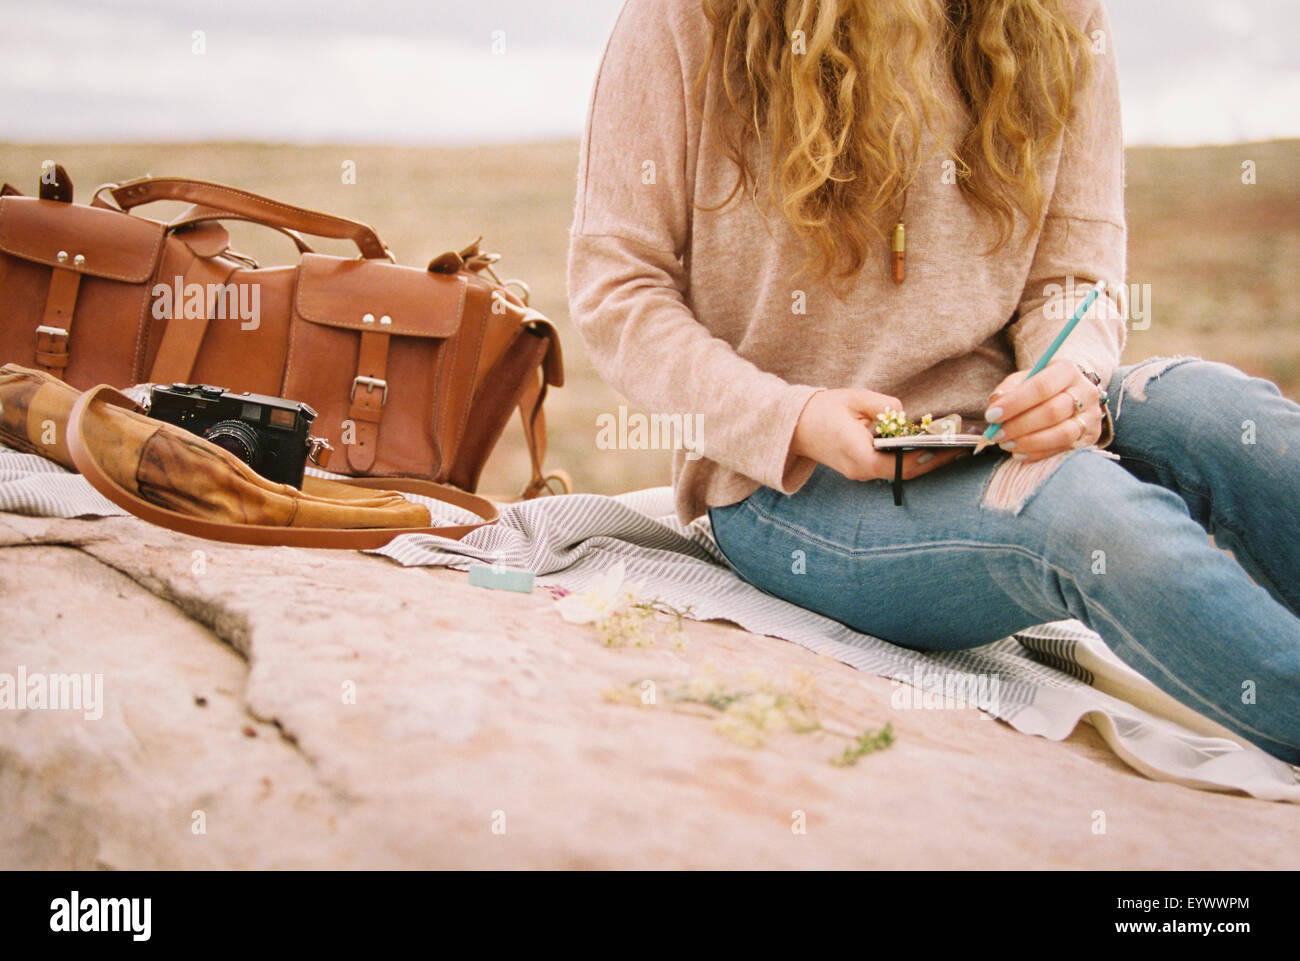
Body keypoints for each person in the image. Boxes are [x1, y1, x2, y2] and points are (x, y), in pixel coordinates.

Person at [566, 0, 1299, 764]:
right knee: (1080, 507)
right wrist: (798, 416)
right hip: (788, 485)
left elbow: (1073, 277)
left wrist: (1069, 380)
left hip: (990, 423)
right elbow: (619, 288)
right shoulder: (683, 17)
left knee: (1213, 408)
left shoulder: (1061, 15)